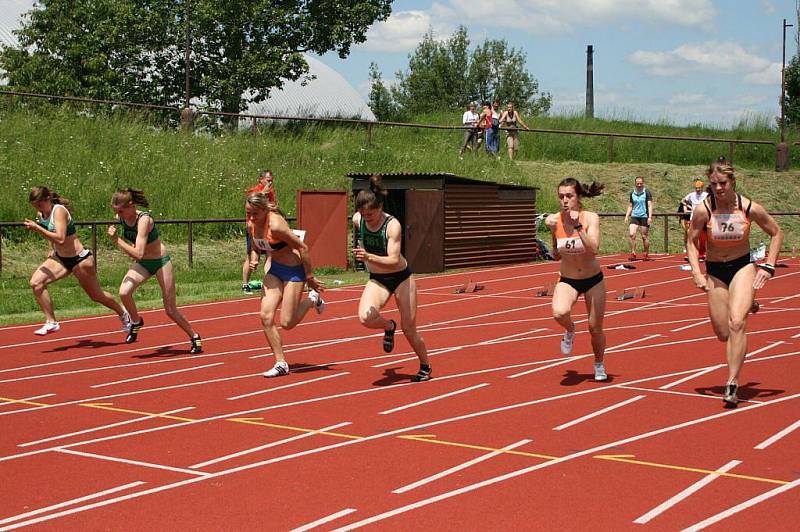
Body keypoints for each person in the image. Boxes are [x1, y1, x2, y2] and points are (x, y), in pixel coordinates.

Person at [686, 157, 783, 407]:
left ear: (733, 181)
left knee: (737, 322)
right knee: (722, 332)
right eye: (714, 184)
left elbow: (776, 232)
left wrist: (769, 266)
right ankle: (748, 301)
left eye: (723, 184)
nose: (718, 189)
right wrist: (697, 272)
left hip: (742, 267)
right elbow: (691, 242)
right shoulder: (703, 210)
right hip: (716, 271)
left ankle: (732, 382)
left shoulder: (749, 208)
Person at [352, 175, 432, 382]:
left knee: (409, 329)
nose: (367, 218)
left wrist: (368, 256)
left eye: (371, 214)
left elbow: (394, 260)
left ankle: (425, 364)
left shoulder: (392, 225)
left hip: (401, 278)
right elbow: (361, 236)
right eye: (364, 214)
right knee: (365, 318)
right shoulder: (358, 220)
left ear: (380, 208)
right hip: (378, 278)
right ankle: (388, 326)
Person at [23, 186, 130, 335]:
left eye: (39, 205)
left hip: (80, 259)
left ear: (47, 199)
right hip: (61, 258)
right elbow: (51, 230)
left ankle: (124, 314)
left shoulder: (59, 211)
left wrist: (37, 229)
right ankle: (51, 322)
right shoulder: (41, 213)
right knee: (36, 283)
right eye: (34, 206)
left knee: (96, 295)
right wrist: (50, 248)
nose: (38, 208)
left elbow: (60, 237)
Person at [107, 188, 202, 353]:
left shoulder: (144, 220)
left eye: (121, 211)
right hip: (144, 264)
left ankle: (194, 337)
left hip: (160, 262)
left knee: (170, 310)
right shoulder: (120, 217)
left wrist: (117, 240)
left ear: (131, 205)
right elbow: (139, 254)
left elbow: (138, 253)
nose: (119, 215)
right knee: (124, 292)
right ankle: (136, 322)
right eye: (116, 212)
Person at [245, 191, 325, 377]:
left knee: (287, 322)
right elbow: (255, 247)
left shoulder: (276, 225)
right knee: (265, 316)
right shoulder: (251, 224)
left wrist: (310, 277)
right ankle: (281, 363)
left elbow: (302, 247)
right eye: (248, 213)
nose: (250, 217)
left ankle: (312, 300)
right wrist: (254, 259)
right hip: (275, 270)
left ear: (264, 210)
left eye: (254, 213)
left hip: (294, 271)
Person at [545, 178, 608, 381]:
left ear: (578, 197)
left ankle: (598, 364)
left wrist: (578, 226)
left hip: (593, 279)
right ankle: (570, 329)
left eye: (569, 196)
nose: (564, 200)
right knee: (559, 312)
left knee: (595, 328)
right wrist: (552, 232)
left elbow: (594, 248)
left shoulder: (590, 217)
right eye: (561, 196)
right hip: (569, 278)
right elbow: (556, 253)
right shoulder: (555, 220)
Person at [242, 170, 277, 293]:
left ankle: (269, 282)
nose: (270, 182)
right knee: (251, 255)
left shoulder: (271, 193)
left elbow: (274, 206)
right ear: (261, 180)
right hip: (254, 227)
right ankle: (245, 284)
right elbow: (250, 203)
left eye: (272, 180)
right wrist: (263, 192)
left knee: (269, 254)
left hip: (267, 227)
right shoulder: (254, 191)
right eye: (268, 180)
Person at [623, 176, 653, 261]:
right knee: (632, 234)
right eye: (637, 183)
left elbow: (650, 205)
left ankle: (646, 253)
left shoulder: (647, 192)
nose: (639, 185)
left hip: (644, 216)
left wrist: (650, 217)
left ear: (643, 183)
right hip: (635, 216)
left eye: (641, 183)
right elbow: (630, 205)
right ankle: (633, 253)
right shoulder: (632, 193)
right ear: (635, 184)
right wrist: (626, 216)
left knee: (644, 236)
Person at [680, 178, 708, 259]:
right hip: (693, 217)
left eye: (699, 188)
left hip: (703, 218)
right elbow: (683, 201)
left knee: (702, 237)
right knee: (692, 236)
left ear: (702, 188)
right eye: (696, 188)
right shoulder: (691, 195)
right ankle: (691, 253)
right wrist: (689, 207)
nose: (698, 189)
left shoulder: (706, 195)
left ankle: (702, 253)